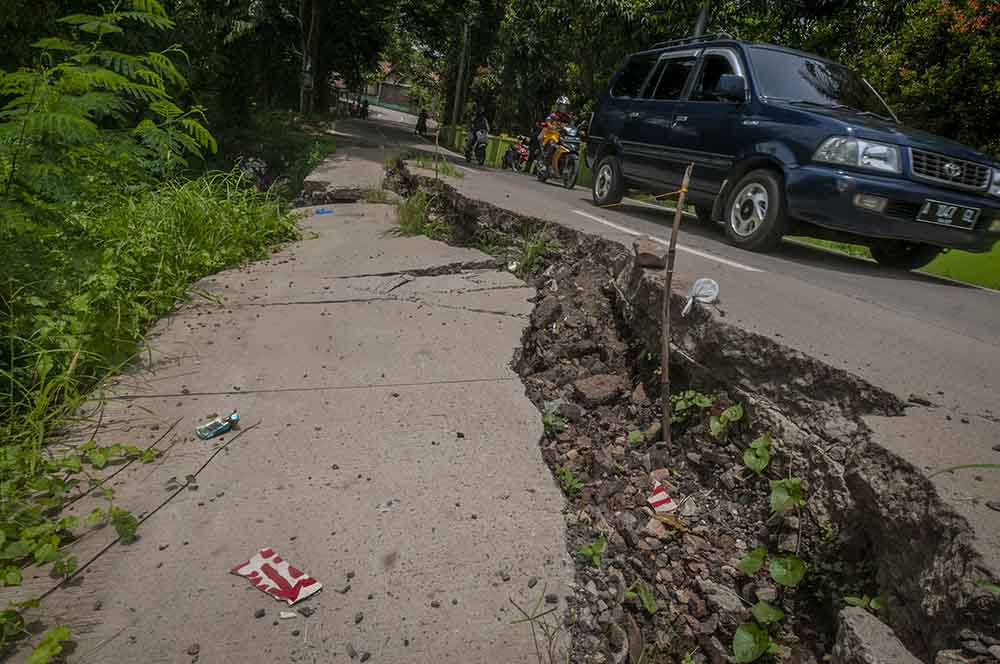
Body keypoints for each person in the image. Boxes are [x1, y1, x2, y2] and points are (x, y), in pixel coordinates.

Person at [538, 95, 573, 172]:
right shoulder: (553, 115)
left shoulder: (568, 117)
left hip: (563, 137)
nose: (563, 108)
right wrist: (551, 126)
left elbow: (572, 126)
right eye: (561, 106)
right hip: (551, 135)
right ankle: (545, 164)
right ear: (558, 106)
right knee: (552, 145)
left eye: (565, 106)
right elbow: (548, 121)